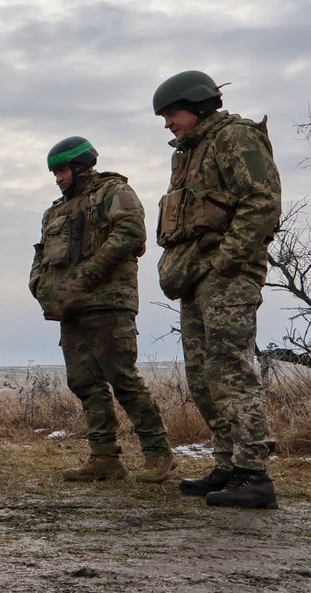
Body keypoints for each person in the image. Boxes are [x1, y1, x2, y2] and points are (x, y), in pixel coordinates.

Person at [152, 70, 281, 508]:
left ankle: (253, 474)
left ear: (198, 104)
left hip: (227, 276)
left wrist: (227, 260)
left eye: (173, 113)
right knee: (204, 375)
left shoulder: (236, 137)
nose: (168, 123)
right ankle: (227, 466)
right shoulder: (188, 153)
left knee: (230, 368)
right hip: (196, 277)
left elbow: (262, 201)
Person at [29, 137, 174, 483]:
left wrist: (88, 274)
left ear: (81, 167)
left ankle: (158, 453)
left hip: (108, 302)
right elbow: (41, 254)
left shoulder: (114, 191)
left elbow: (131, 235)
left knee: (122, 377)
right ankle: (105, 457)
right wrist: (38, 283)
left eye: (62, 170)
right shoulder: (54, 211)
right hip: (70, 307)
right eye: (55, 173)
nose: (58, 178)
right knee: (84, 381)